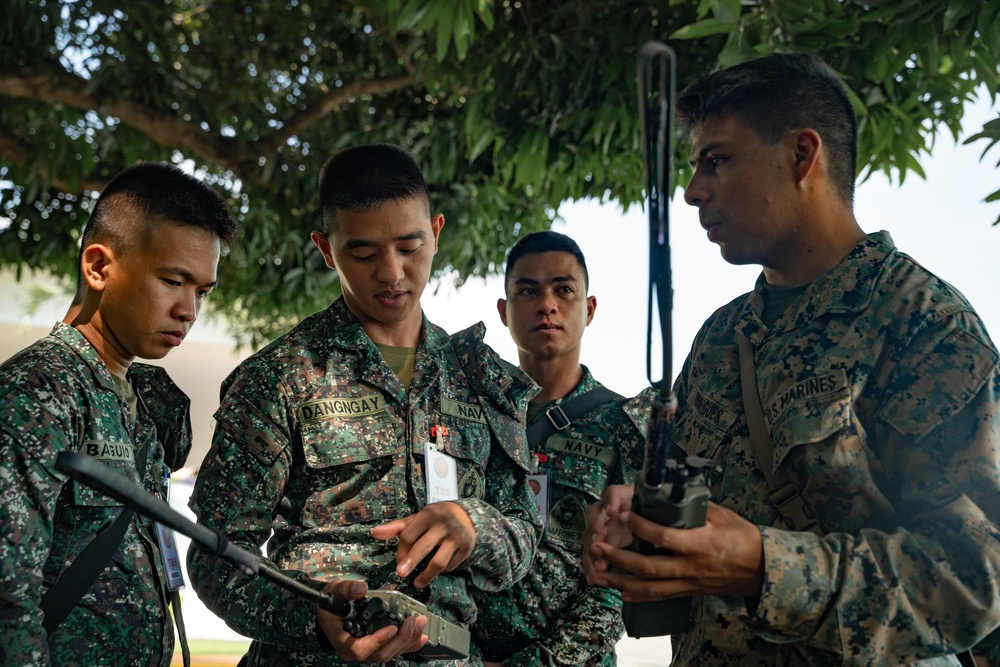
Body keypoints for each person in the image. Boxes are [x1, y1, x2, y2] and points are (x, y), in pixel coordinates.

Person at [582, 52, 1000, 666]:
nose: (694, 191)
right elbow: (696, 489)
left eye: (717, 161)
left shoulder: (922, 323)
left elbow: (976, 576)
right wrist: (640, 519)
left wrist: (764, 565)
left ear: (802, 156)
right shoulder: (722, 337)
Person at [186, 143, 542, 666]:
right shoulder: (280, 378)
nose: (392, 272)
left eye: (409, 246)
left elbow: (525, 529)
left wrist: (474, 525)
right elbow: (216, 553)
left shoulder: (482, 378)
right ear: (326, 249)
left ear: (437, 233)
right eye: (364, 253)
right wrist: (313, 617)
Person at [0, 162, 238, 666]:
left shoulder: (139, 398)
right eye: (173, 280)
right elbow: (6, 592)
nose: (188, 310)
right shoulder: (39, 391)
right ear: (98, 267)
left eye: (201, 291)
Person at [470, 231, 648, 666]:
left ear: (588, 310)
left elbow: (622, 580)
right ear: (504, 312)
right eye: (527, 290)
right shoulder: (472, 418)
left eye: (563, 290)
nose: (546, 304)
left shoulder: (623, 425)